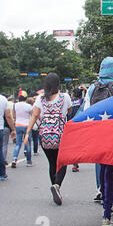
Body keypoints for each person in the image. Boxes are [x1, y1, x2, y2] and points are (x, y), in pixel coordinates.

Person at [82, 56, 113, 226]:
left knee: (102, 168)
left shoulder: (92, 88)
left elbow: (86, 112)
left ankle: (103, 195)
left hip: (97, 134)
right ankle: (107, 214)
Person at [24, 73, 72, 204]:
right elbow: (69, 112)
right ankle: (57, 186)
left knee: (52, 163)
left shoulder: (40, 98)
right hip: (60, 134)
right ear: (58, 84)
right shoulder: (65, 97)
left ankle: (55, 189)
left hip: (44, 135)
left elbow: (34, 115)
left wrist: (27, 133)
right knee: (62, 162)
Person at [11, 91, 33, 168]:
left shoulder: (15, 105)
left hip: (18, 125)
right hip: (27, 126)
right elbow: (32, 116)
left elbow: (14, 115)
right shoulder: (29, 106)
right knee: (27, 143)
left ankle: (14, 159)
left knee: (18, 144)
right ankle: (29, 161)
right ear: (26, 98)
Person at [68, 87, 84, 172]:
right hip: (79, 125)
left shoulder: (69, 102)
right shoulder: (81, 101)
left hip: (70, 125)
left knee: (72, 145)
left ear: (73, 94)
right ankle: (76, 161)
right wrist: (85, 89)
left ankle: (74, 163)